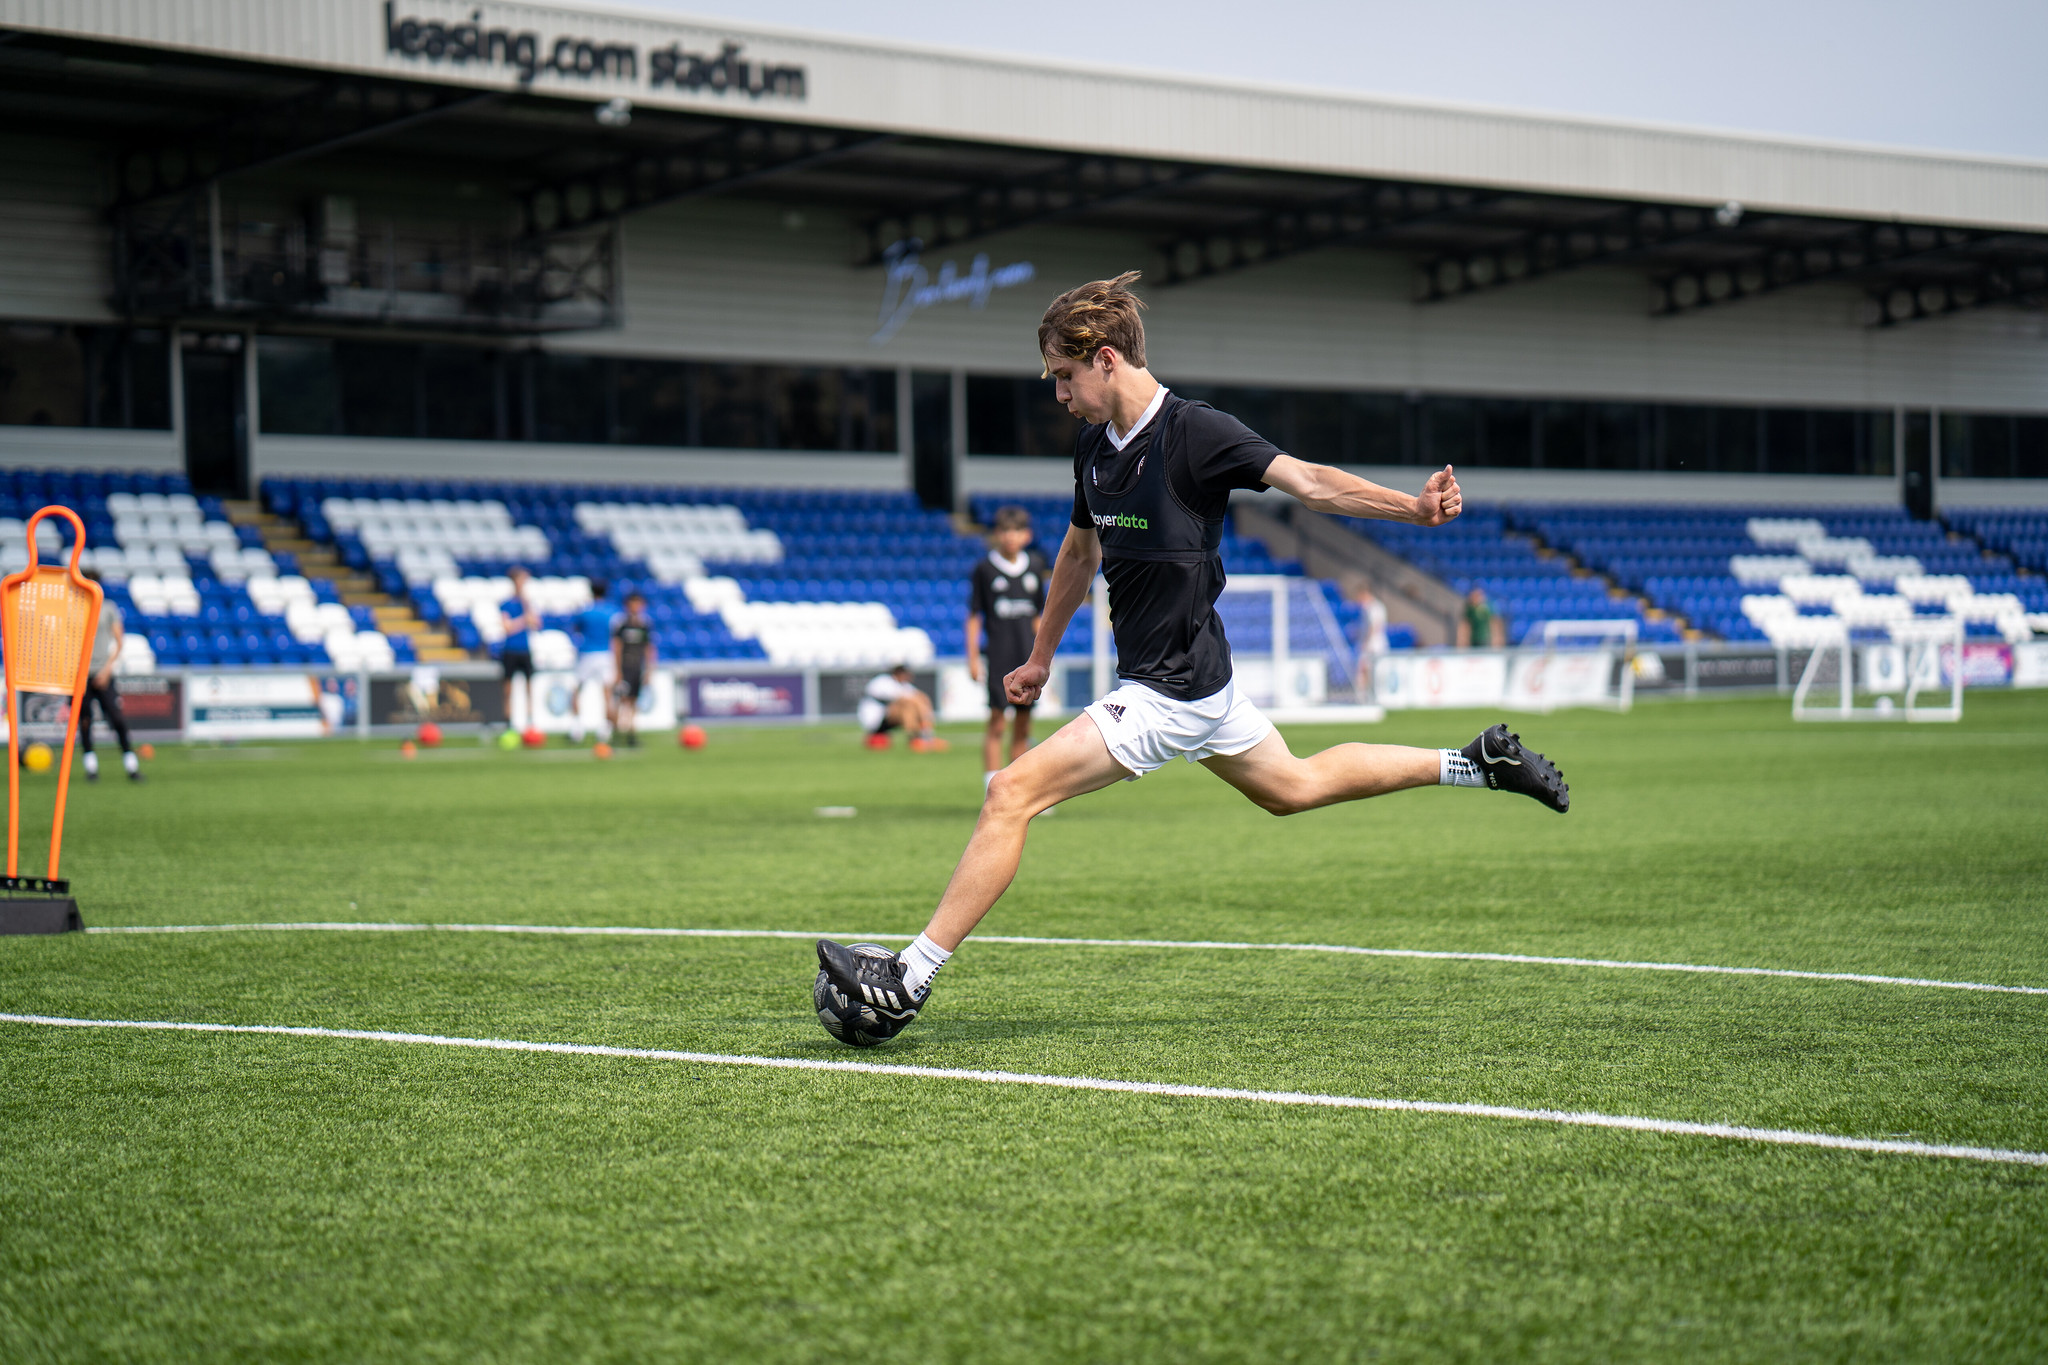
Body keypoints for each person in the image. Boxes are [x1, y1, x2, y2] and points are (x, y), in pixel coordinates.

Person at [816, 271, 1567, 1038]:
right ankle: (1474, 763)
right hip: (1201, 681)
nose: (1060, 395)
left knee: (1010, 792)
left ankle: (908, 977)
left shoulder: (1195, 431)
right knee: (1294, 786)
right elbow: (1078, 553)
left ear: (1106, 359)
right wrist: (1040, 655)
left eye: (1065, 376)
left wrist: (1413, 507)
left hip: (1169, 689)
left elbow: (1309, 482)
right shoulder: (1093, 447)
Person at [966, 505, 1050, 791]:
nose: (1010, 537)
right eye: (1004, 531)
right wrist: (972, 657)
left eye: (1016, 531)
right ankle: (991, 786)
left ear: (1027, 535)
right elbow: (974, 616)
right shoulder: (985, 569)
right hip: (998, 655)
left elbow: (1039, 615)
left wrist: (1044, 655)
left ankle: (1019, 788)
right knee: (997, 721)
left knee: (1023, 724)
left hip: (1027, 656)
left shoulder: (1035, 566)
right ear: (996, 535)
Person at [77, 570, 141, 783]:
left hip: (103, 672)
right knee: (85, 721)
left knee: (117, 718)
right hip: (80, 675)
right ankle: (91, 768)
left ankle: (131, 766)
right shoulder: (74, 608)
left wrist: (106, 670)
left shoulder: (107, 608)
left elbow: (119, 641)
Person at [568, 580, 616, 745]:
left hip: (587, 653)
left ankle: (576, 728)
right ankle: (605, 728)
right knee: (607, 692)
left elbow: (576, 629)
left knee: (577, 690)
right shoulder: (611, 612)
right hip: (606, 654)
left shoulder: (585, 612)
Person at [856, 664, 945, 751]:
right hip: (875, 719)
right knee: (907, 707)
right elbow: (903, 699)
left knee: (914, 704)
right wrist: (923, 711)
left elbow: (921, 697)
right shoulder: (883, 681)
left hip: (887, 717)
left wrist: (924, 709)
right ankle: (917, 738)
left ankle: (924, 737)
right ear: (900, 674)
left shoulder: (905, 685)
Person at [610, 590, 656, 748]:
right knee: (621, 700)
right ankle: (616, 732)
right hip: (625, 668)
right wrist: (617, 670)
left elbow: (649, 648)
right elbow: (616, 647)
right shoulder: (622, 624)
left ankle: (631, 733)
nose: (636, 607)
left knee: (633, 701)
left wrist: (649, 669)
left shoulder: (644, 624)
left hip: (638, 668)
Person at [498, 566, 538, 728]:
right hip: (510, 649)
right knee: (508, 689)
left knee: (529, 687)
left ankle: (530, 721)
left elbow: (536, 623)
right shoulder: (506, 604)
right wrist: (523, 620)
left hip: (525, 649)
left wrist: (528, 613)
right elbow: (507, 627)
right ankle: (508, 722)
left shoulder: (527, 603)